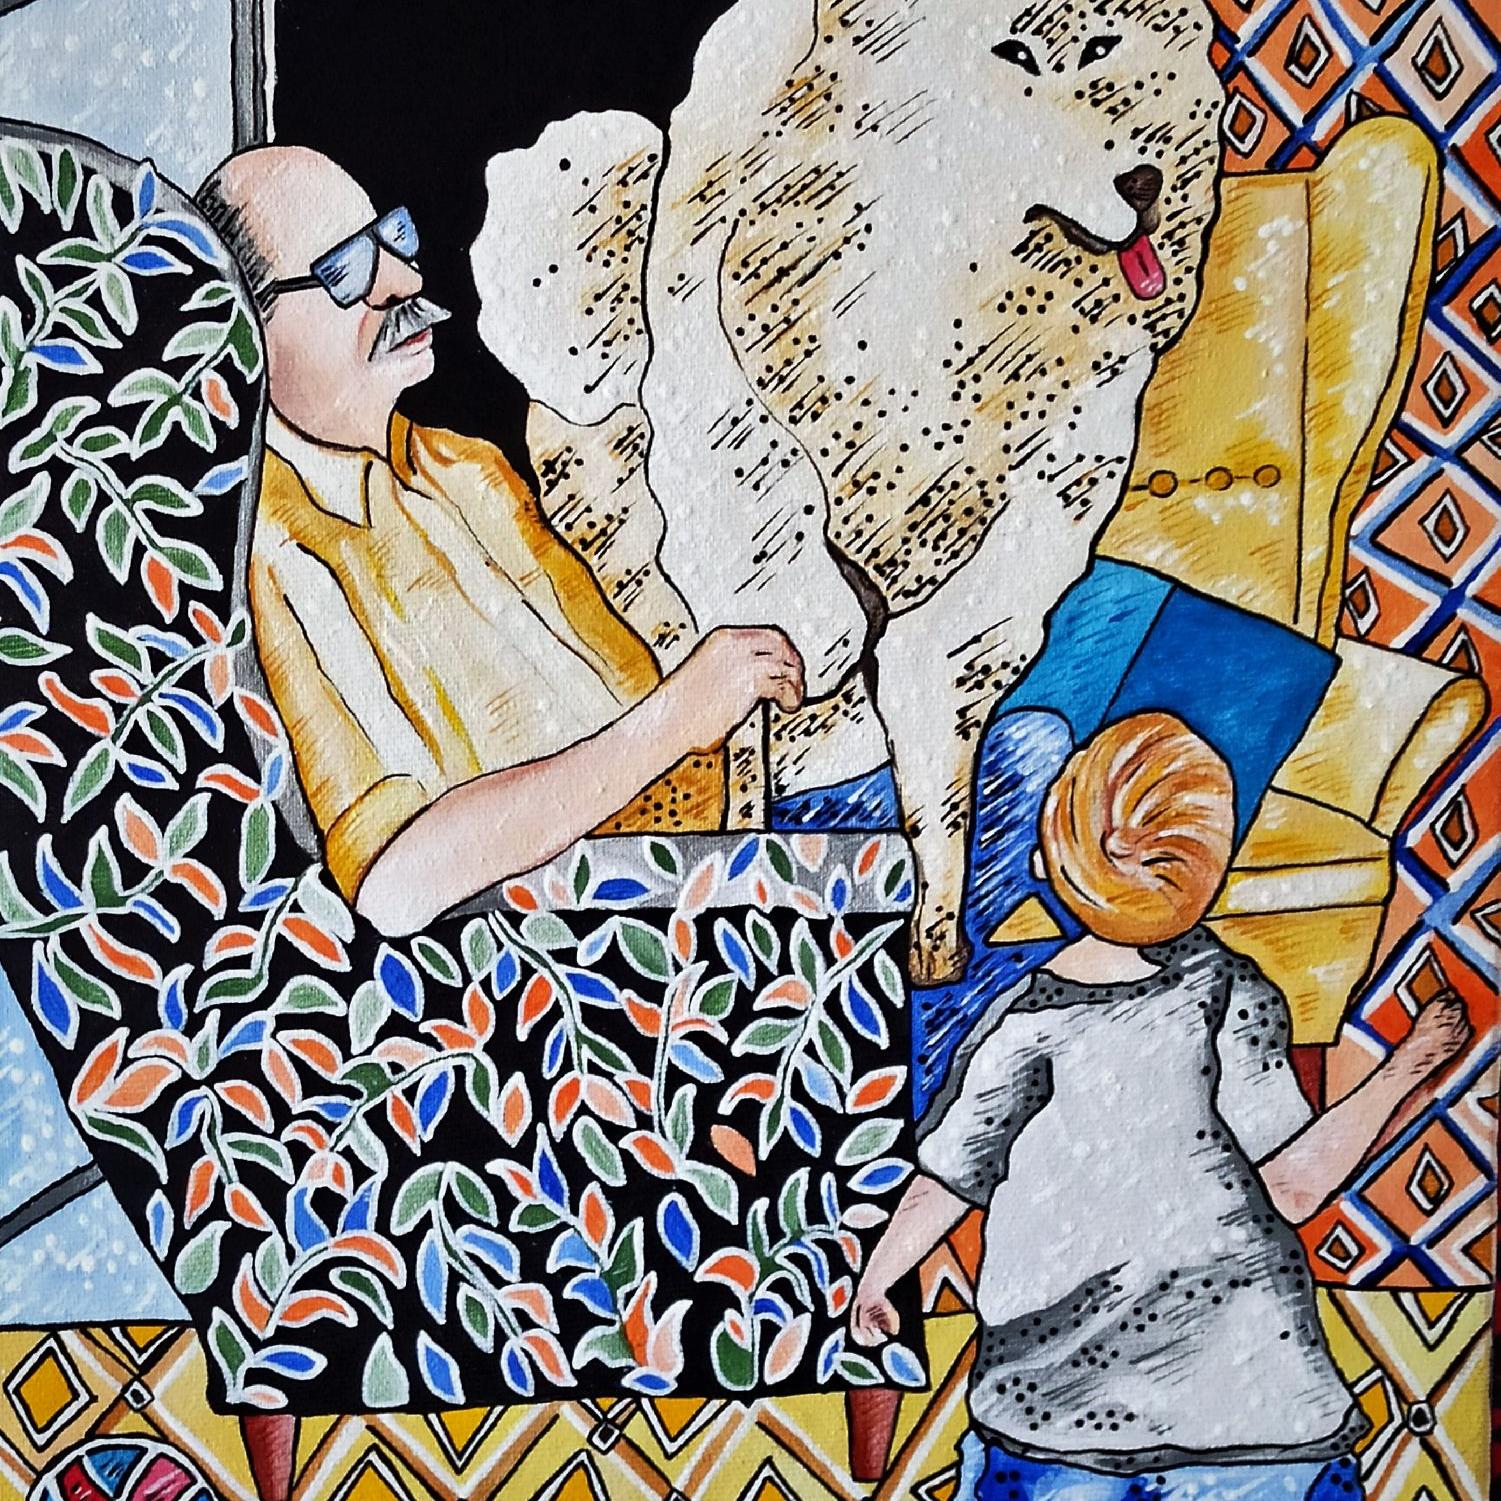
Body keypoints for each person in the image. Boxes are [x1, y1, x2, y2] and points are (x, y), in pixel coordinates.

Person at [850, 712, 1471, 1501]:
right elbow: (1292, 1185)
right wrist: (1402, 1068)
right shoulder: (1228, 991)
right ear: (1205, 873)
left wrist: (879, 1276)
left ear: (1048, 858)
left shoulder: (1022, 1026)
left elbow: (947, 1175)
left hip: (1051, 1426)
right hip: (1257, 1423)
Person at [195, 147, 803, 935]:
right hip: (559, 955)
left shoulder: (465, 467)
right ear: (246, 327)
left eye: (392, 239)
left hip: (690, 879)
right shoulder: (271, 545)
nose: (404, 282)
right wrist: (676, 718)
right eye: (346, 272)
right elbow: (394, 883)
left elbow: (638, 712)